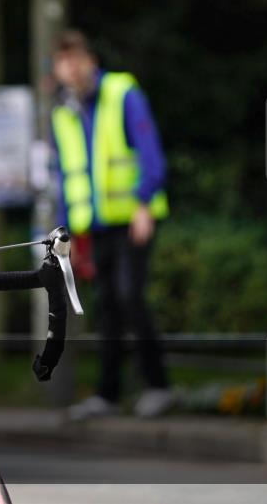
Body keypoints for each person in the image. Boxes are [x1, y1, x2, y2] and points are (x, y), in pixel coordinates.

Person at [49, 29, 173, 420]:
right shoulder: (63, 111)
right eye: (63, 61)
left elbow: (149, 150)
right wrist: (63, 229)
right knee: (108, 308)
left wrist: (143, 205)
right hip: (93, 226)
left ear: (91, 60)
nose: (71, 67)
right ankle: (108, 394)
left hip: (131, 218)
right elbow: (67, 175)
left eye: (76, 58)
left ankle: (158, 386)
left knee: (129, 297)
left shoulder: (121, 93)